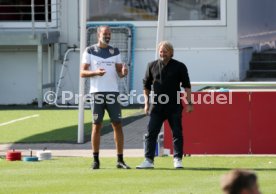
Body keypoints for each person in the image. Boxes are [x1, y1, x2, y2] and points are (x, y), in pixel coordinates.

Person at [136, 41, 193, 169]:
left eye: (165, 51)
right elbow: (146, 86)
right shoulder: (151, 65)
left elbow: (186, 86)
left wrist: (189, 103)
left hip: (174, 106)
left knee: (177, 133)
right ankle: (148, 160)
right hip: (157, 106)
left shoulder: (180, 66)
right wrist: (146, 104)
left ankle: (178, 159)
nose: (163, 53)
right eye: (161, 51)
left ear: (171, 53)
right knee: (151, 132)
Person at [80, 26, 130, 170]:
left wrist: (124, 72)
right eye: (105, 34)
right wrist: (95, 72)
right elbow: (82, 72)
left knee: (117, 124)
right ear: (98, 34)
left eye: (109, 34)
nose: (107, 36)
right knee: (97, 125)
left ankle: (120, 160)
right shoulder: (90, 50)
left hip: (113, 93)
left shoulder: (115, 51)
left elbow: (120, 73)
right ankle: (95, 160)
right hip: (97, 93)